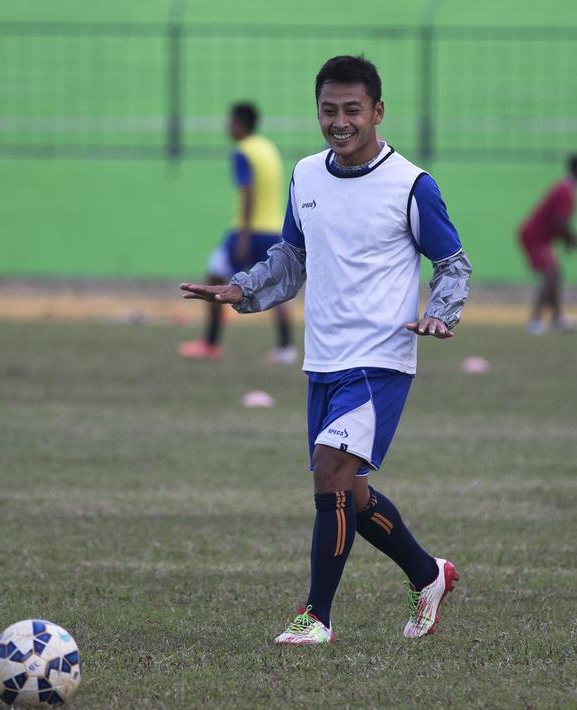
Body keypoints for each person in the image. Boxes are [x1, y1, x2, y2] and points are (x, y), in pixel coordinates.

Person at [181, 55, 471, 645]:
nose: (340, 122)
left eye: (352, 110)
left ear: (377, 112)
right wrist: (242, 288)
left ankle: (316, 616)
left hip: (380, 360)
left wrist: (441, 314)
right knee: (350, 494)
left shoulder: (413, 184)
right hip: (323, 360)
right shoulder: (306, 175)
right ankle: (428, 574)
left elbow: (452, 263)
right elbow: (292, 259)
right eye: (329, 110)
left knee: (330, 472)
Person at [178, 102, 296, 364]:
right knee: (275, 286)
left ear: (240, 124)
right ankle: (286, 347)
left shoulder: (243, 151)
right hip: (272, 229)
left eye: (230, 121)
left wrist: (243, 235)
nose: (227, 126)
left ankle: (210, 343)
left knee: (214, 273)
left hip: (249, 230)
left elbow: (248, 192)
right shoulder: (267, 148)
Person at [517, 153, 577, 334]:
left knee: (555, 274)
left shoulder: (566, 188)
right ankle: (535, 321)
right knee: (550, 275)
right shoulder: (566, 190)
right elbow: (560, 222)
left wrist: (567, 240)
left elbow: (559, 222)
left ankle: (557, 318)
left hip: (540, 237)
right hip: (535, 237)